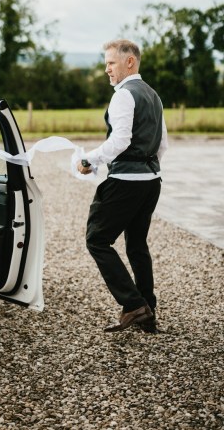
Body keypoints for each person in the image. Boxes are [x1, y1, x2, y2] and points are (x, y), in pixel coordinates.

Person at [77, 39, 168, 333]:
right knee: (137, 245)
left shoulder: (124, 95)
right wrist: (147, 168)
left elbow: (120, 141)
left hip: (126, 182)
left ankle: (134, 305)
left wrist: (89, 160)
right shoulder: (153, 96)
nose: (106, 69)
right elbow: (162, 145)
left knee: (97, 239)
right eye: (106, 64)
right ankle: (148, 309)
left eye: (111, 63)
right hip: (151, 181)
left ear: (130, 62)